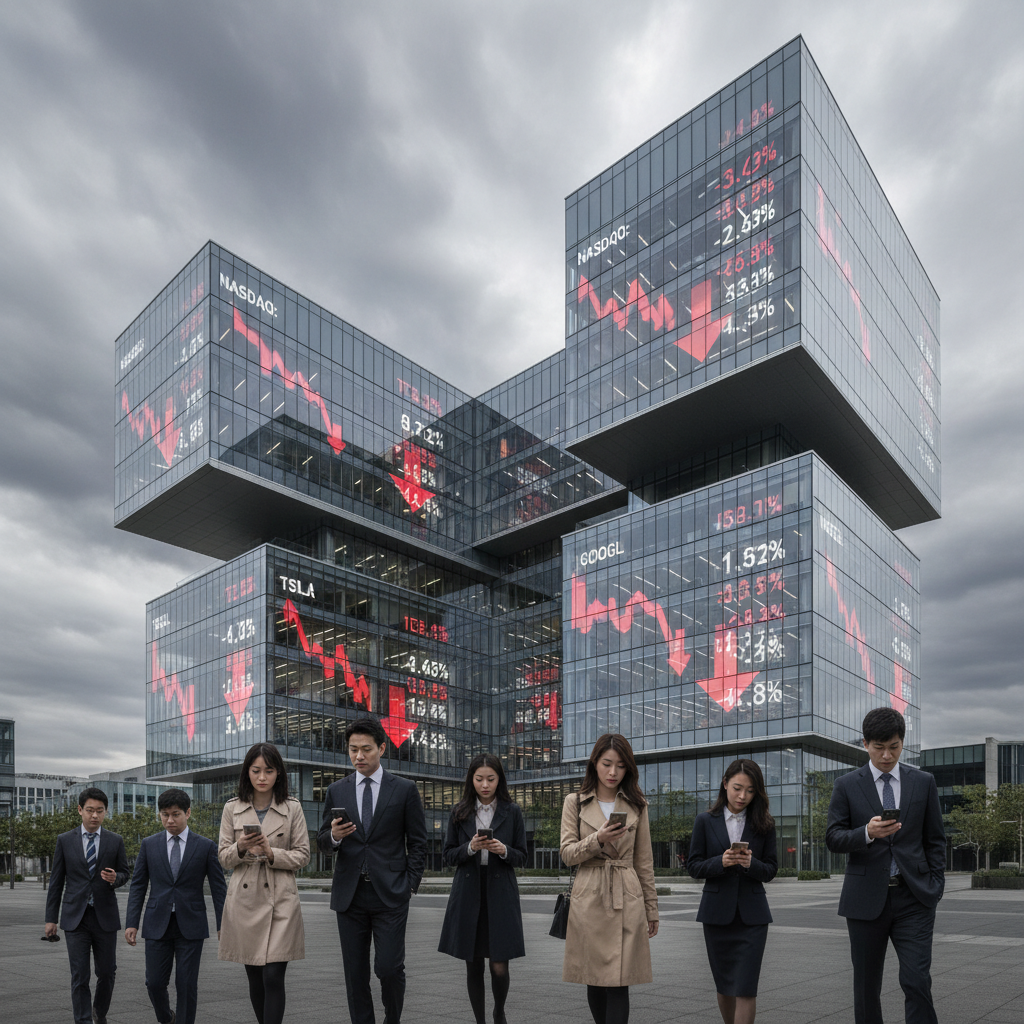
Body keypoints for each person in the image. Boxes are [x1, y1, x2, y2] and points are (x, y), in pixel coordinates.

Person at [826, 707, 945, 1024]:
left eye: (894, 746)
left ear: (902, 742)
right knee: (866, 986)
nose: (887, 755)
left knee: (917, 980)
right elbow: (833, 838)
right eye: (879, 747)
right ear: (865, 744)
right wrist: (866, 833)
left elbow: (935, 839)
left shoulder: (923, 782)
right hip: (865, 899)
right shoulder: (847, 785)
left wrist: (935, 886)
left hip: (914, 898)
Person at [316, 717, 427, 1024]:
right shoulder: (337, 790)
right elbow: (323, 841)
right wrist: (336, 836)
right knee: (355, 974)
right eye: (353, 750)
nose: (359, 756)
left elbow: (418, 842)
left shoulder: (404, 790)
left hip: (390, 894)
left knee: (389, 968)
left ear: (381, 748)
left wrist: (410, 885)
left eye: (366, 749)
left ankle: (393, 1018)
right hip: (349, 896)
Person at [560, 733, 659, 1024]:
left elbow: (644, 861)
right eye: (606, 764)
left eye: (620, 765)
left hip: (625, 895)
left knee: (619, 981)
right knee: (595, 979)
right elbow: (566, 854)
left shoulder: (638, 804)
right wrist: (597, 840)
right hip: (589, 894)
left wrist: (651, 909)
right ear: (595, 763)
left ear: (628, 768)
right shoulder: (574, 802)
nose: (613, 772)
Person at [218, 742, 310, 1024]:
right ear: (247, 773)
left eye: (268, 771)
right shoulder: (232, 808)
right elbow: (223, 857)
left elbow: (303, 854)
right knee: (255, 977)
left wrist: (272, 853)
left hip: (280, 896)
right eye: (256, 770)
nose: (261, 777)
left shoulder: (292, 807)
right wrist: (241, 848)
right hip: (245, 899)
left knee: (273, 975)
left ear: (278, 774)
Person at [125, 787, 228, 1024]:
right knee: (154, 983)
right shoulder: (149, 845)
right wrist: (132, 922)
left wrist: (223, 924)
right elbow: (138, 886)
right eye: (164, 814)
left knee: (187, 984)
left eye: (175, 814)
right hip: (156, 923)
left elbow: (219, 890)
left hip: (190, 926)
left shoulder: (205, 846)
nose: (170, 820)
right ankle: (166, 1017)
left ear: (188, 813)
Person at [437, 753, 528, 1024]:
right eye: (479, 779)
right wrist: (470, 848)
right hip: (468, 892)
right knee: (473, 963)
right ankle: (480, 1021)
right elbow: (448, 855)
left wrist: (503, 850)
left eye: (491, 779)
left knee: (499, 965)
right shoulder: (459, 811)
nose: (485, 785)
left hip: (500, 893)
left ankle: (498, 1011)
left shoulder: (512, 812)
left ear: (499, 779)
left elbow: (522, 855)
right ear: (471, 780)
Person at [687, 759, 778, 1024]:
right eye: (738, 788)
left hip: (753, 917)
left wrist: (751, 864)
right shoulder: (705, 821)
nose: (743, 796)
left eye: (750, 791)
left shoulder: (765, 823)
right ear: (725, 783)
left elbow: (771, 869)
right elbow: (693, 866)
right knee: (725, 986)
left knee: (746, 988)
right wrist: (720, 862)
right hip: (717, 916)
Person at [44, 787, 130, 1024]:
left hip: (104, 917)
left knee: (107, 972)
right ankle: (82, 1020)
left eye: (99, 811)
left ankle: (99, 1012)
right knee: (79, 975)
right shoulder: (64, 840)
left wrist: (117, 879)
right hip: (76, 918)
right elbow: (56, 882)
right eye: (90, 810)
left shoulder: (115, 840)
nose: (94, 816)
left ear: (105, 812)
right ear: (80, 810)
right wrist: (51, 918)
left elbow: (125, 872)